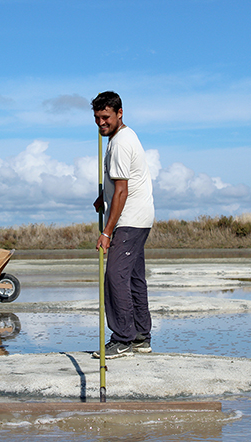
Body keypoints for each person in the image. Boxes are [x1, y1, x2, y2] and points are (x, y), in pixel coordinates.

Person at [91, 91, 155, 359]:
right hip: (139, 218)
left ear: (119, 113)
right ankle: (141, 336)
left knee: (115, 277)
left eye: (105, 117)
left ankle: (123, 339)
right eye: (97, 118)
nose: (101, 123)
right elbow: (117, 186)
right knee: (133, 278)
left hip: (129, 221)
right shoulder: (122, 137)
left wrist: (107, 232)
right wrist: (101, 197)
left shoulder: (120, 143)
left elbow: (122, 191)